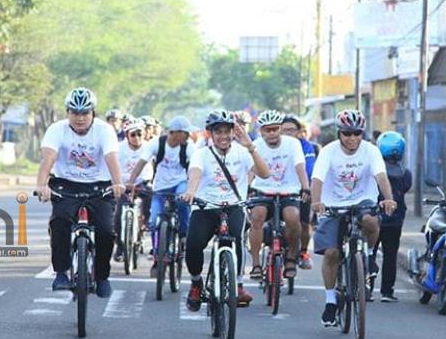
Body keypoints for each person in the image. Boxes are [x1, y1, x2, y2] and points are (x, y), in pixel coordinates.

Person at [310, 109, 397, 326]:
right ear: (340, 133)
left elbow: (381, 176)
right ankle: (331, 302)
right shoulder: (328, 151)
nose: (352, 139)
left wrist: (389, 198)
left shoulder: (371, 150)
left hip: (363, 201)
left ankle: (368, 256)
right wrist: (316, 201)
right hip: (333, 205)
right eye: (347, 133)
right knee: (331, 253)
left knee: (370, 221)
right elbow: (317, 179)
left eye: (357, 133)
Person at [36, 87, 124, 299]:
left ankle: (102, 277)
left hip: (99, 187)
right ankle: (61, 272)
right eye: (75, 113)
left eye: (85, 113)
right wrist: (41, 184)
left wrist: (118, 183)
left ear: (93, 112)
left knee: (105, 231)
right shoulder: (57, 129)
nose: (80, 118)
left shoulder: (104, 130)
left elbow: (111, 157)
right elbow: (48, 157)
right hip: (66, 186)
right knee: (59, 223)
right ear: (68, 112)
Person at [181, 110, 270, 311]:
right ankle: (196, 283)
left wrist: (251, 147)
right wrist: (190, 192)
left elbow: (264, 173)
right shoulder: (201, 154)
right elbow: (195, 173)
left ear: (233, 132)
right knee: (193, 245)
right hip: (206, 207)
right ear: (210, 134)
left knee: (237, 240)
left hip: (233, 206)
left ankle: (237, 284)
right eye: (218, 132)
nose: (223, 136)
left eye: (227, 131)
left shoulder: (242, 152)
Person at [127, 116, 196, 276]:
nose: (188, 136)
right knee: (154, 220)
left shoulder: (188, 146)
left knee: (182, 201)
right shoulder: (156, 144)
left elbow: (194, 168)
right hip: (160, 186)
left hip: (180, 183)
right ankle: (158, 253)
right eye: (186, 133)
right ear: (175, 133)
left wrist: (191, 189)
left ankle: (184, 235)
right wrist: (131, 182)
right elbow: (142, 162)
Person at [247, 110, 310, 281]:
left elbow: (300, 166)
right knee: (257, 216)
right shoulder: (256, 145)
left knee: (293, 217)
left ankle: (291, 257)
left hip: (288, 190)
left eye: (275, 129)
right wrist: (246, 187)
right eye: (267, 130)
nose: (272, 133)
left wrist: (305, 187)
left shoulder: (293, 143)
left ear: (280, 129)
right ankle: (255, 264)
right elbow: (251, 170)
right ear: (261, 131)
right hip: (263, 189)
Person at [373, 131, 412, 302]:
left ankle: (366, 288)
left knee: (369, 252)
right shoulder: (405, 173)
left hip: (373, 217)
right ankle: (387, 292)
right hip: (395, 219)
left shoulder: (374, 171)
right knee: (390, 255)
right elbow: (405, 188)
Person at [282, 114, 319, 269]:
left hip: (301, 189)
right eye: (285, 130)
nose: (288, 133)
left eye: (292, 130)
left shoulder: (306, 146)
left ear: (298, 131)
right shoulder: (274, 144)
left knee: (304, 223)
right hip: (278, 189)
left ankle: (303, 251)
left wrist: (307, 188)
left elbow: (309, 169)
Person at [114, 118, 153, 262]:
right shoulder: (118, 148)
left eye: (139, 134)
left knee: (150, 196)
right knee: (117, 217)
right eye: (133, 135)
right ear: (127, 135)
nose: (137, 138)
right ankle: (119, 246)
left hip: (142, 183)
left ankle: (146, 221)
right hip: (124, 185)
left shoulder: (150, 147)